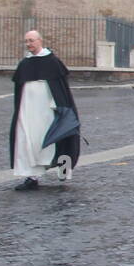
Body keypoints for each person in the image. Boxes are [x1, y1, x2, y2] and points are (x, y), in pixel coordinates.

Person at [9, 30, 81, 191]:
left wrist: (60, 109)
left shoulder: (53, 63)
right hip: (27, 111)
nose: (29, 44)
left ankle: (63, 169)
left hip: (47, 112)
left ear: (40, 41)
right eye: (26, 41)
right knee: (27, 141)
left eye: (31, 40)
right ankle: (31, 177)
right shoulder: (24, 64)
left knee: (55, 139)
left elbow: (61, 91)